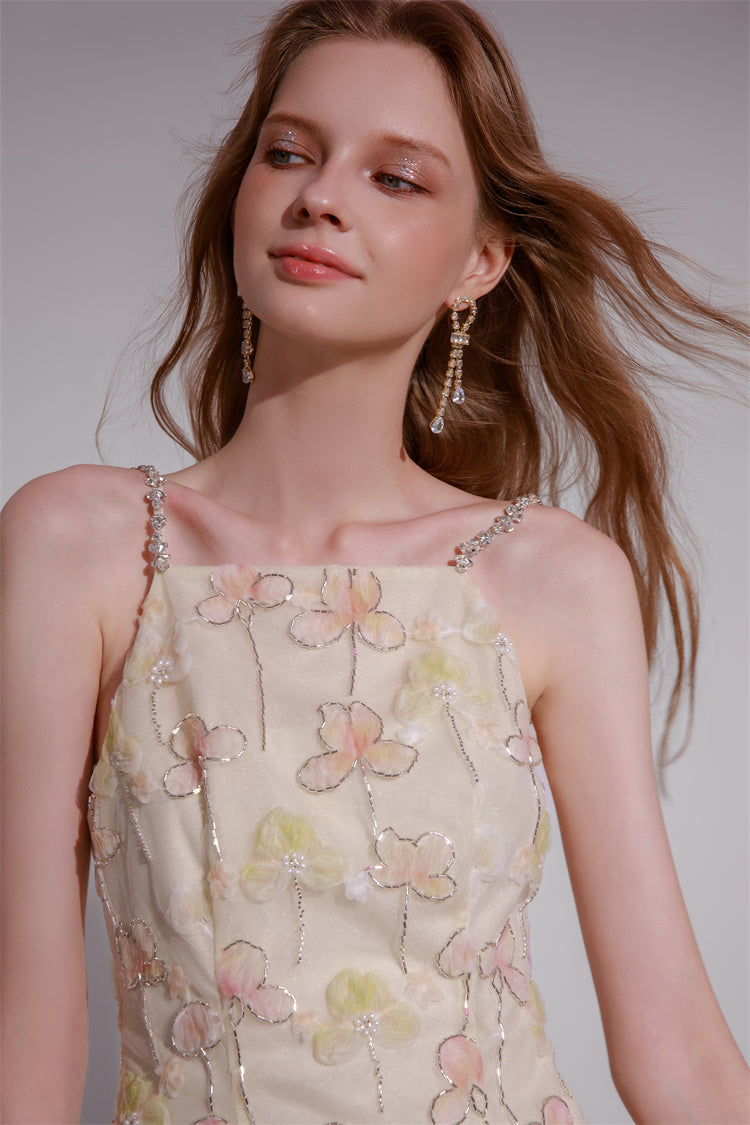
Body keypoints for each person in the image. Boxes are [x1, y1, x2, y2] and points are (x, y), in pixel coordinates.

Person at [1, 0, 748, 1122]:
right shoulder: (82, 545)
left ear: (480, 262)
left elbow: (677, 1054)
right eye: (288, 153)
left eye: (396, 177)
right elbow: (23, 1037)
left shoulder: (553, 578)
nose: (320, 196)